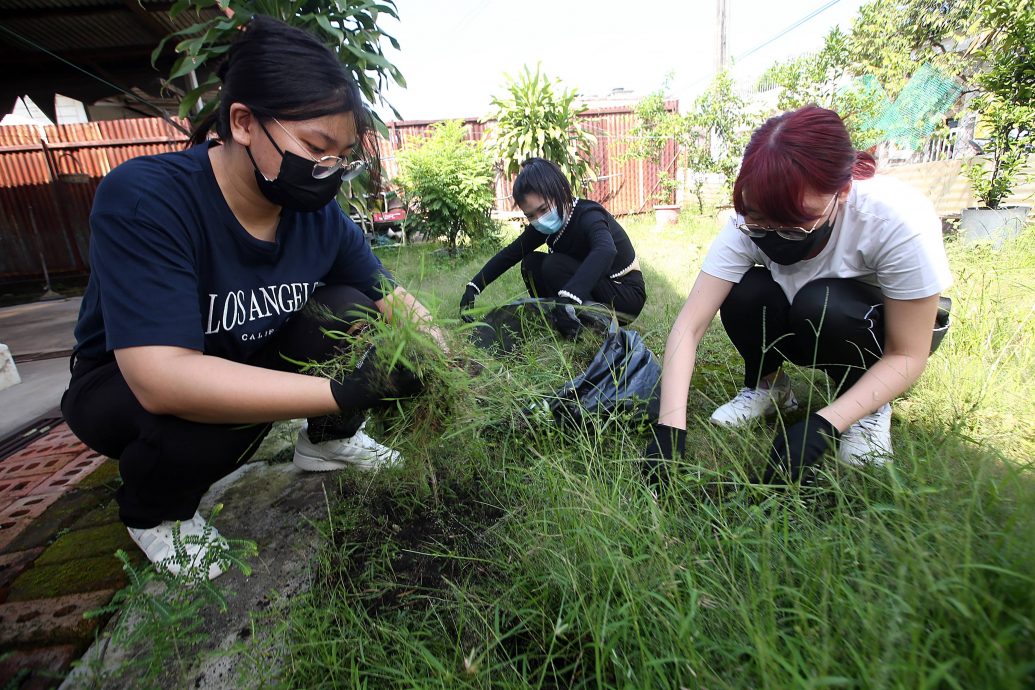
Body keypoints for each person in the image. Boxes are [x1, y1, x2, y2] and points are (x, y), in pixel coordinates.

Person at [61, 16, 445, 579]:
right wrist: (341, 391)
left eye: (341, 157)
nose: (329, 171)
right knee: (196, 422)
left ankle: (327, 444)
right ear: (243, 122)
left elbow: (392, 298)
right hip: (126, 385)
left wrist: (441, 355)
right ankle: (155, 513)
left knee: (351, 309)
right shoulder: (149, 198)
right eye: (316, 147)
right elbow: (162, 378)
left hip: (243, 355)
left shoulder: (319, 219)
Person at [643, 105, 952, 484]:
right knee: (743, 291)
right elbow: (689, 326)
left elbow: (907, 354)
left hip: (880, 325)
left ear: (842, 192)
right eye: (760, 223)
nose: (773, 234)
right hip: (799, 313)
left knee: (824, 302)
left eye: (796, 224)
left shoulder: (894, 221)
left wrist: (824, 424)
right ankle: (769, 387)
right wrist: (669, 428)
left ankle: (867, 409)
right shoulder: (747, 220)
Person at [459, 158, 646, 338]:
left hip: (624, 295)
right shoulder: (545, 226)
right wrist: (474, 287)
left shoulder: (588, 214)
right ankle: (558, 319)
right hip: (595, 288)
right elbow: (510, 254)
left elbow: (606, 249)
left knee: (554, 264)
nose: (539, 219)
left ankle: (591, 323)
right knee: (531, 263)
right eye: (530, 215)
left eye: (543, 209)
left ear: (561, 193)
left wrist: (569, 297)